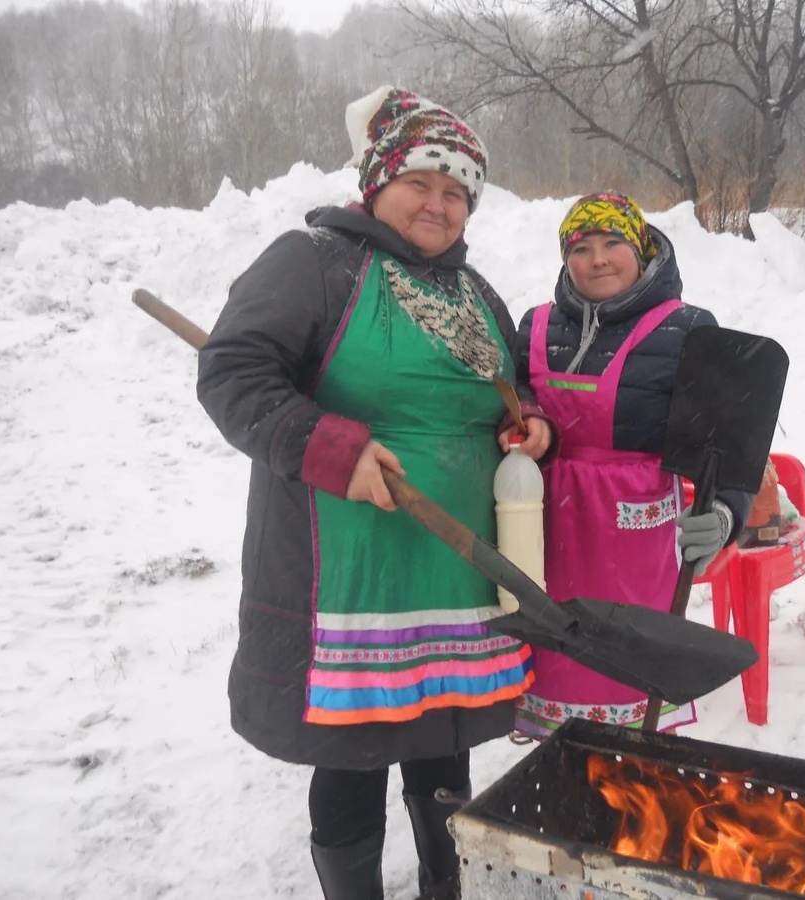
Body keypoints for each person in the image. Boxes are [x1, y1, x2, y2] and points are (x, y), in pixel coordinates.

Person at [195, 86, 552, 900]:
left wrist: (525, 424)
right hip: (349, 581)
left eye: (456, 191)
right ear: (377, 181)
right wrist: (328, 446)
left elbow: (512, 391)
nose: (438, 202)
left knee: (442, 748)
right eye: (421, 182)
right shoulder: (312, 262)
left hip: (455, 578)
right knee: (353, 758)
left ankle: (442, 886)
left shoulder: (474, 293)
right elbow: (232, 372)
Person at [508, 191, 752, 738]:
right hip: (549, 524)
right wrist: (526, 415)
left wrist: (727, 516)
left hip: (633, 533)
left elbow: (729, 443)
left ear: (639, 248)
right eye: (581, 247)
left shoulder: (687, 327)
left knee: (627, 662)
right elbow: (513, 389)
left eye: (613, 242)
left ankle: (630, 780)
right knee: (554, 651)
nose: (597, 259)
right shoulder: (537, 324)